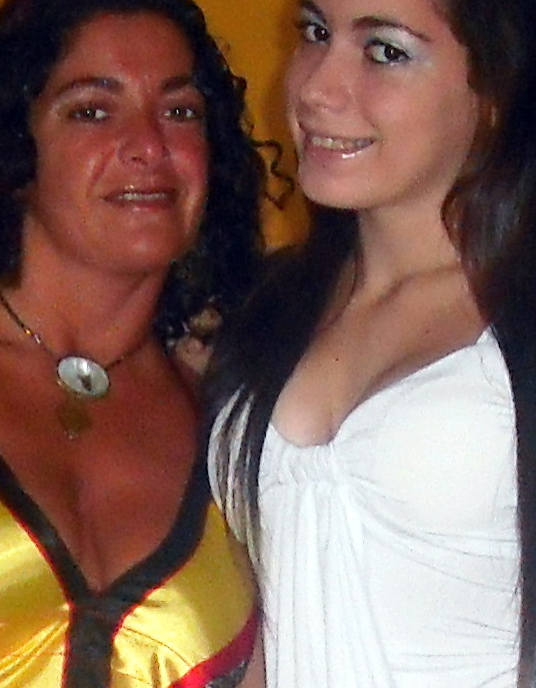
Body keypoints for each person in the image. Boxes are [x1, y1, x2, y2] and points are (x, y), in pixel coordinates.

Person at [205, 0, 536, 685]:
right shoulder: (264, 308)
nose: (316, 89)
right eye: (315, 33)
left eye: (385, 51)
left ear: (494, 89)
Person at [0, 0, 269, 685]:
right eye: (92, 110)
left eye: (179, 112)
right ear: (16, 148)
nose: (149, 145)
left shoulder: (241, 428)